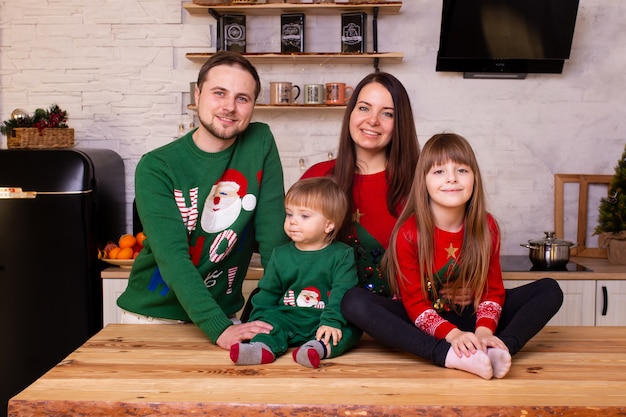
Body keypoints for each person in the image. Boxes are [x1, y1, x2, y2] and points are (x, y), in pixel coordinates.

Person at [117, 51, 289, 350]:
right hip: (153, 319)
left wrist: (282, 309)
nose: (229, 107)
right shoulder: (157, 166)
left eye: (242, 98)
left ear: (252, 106)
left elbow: (273, 238)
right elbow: (172, 259)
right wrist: (219, 329)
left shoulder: (260, 141)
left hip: (224, 316)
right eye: (219, 93)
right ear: (197, 95)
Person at [382, 133, 563, 379]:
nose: (452, 179)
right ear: (423, 181)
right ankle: (448, 354)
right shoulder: (408, 232)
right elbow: (414, 302)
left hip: (473, 316)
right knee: (355, 301)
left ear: (474, 178)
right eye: (439, 172)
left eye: (462, 170)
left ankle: (495, 348)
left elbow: (493, 290)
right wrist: (453, 335)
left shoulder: (486, 226)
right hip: (426, 322)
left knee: (550, 290)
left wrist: (484, 331)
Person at [301, 72, 420, 297]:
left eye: (387, 113)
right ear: (351, 113)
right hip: (325, 317)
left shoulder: (421, 182)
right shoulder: (318, 176)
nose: (373, 120)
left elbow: (454, 241)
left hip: (396, 317)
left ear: (400, 123)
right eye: (364, 108)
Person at [230, 177, 360, 368]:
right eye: (289, 214)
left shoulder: (341, 255)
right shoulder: (281, 254)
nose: (293, 222)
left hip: (322, 318)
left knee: (349, 330)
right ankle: (261, 348)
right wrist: (258, 322)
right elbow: (268, 291)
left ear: (328, 225)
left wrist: (331, 321)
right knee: (270, 323)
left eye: (304, 216)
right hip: (287, 316)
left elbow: (342, 291)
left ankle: (316, 349)